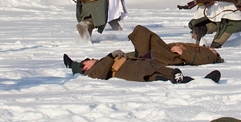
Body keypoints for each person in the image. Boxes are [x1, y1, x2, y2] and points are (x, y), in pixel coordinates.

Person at [63, 50, 221, 84]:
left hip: (136, 68)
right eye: (87, 60)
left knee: (157, 73)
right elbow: (99, 73)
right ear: (85, 68)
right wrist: (112, 55)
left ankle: (198, 81)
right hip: (134, 69)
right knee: (155, 68)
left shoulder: (96, 67)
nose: (91, 58)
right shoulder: (92, 73)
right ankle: (174, 73)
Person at [126, 24, 223, 66]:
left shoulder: (210, 56)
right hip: (167, 49)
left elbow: (199, 59)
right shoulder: (204, 50)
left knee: (142, 32)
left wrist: (182, 53)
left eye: (215, 51)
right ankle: (139, 56)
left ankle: (143, 56)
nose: (213, 50)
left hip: (170, 55)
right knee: (144, 39)